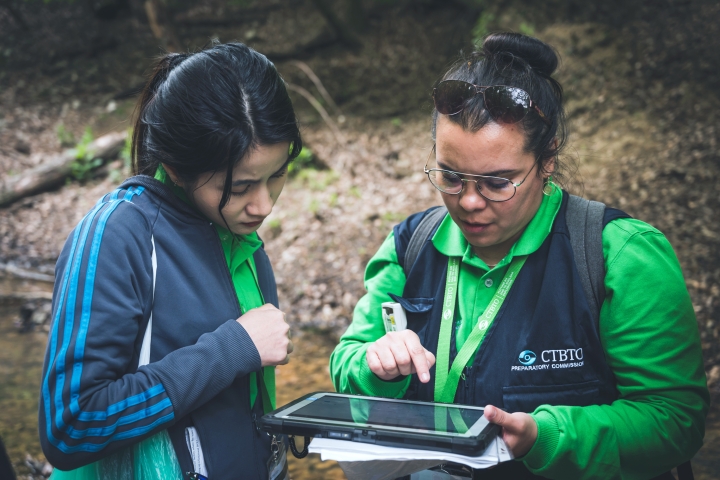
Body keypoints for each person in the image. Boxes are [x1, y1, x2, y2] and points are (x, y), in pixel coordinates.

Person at [330, 33, 709, 479]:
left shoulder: (619, 254)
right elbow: (348, 362)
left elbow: (675, 419)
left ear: (547, 159)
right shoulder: (410, 245)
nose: (469, 202)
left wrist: (547, 436)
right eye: (451, 176)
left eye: (497, 182)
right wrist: (376, 366)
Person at [39, 42, 300, 479]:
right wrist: (232, 349)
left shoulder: (237, 235)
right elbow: (71, 425)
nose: (263, 205)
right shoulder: (116, 235)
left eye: (276, 176)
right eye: (239, 187)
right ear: (178, 169)